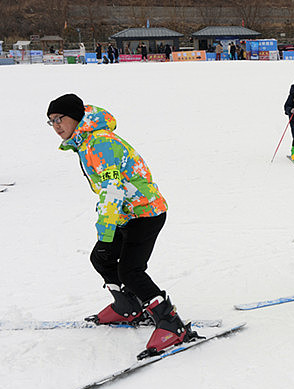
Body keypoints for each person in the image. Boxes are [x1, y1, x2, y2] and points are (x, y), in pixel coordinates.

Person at [46, 94, 197, 359]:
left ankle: (171, 324)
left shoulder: (100, 143)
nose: (56, 125)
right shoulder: (86, 142)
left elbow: (112, 191)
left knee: (130, 271)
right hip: (126, 213)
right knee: (100, 259)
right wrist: (105, 238)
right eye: (51, 122)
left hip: (145, 212)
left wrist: (106, 236)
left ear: (76, 116)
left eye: (60, 118)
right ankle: (128, 305)